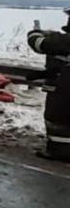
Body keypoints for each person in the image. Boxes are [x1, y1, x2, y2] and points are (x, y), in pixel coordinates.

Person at [27, 8, 70, 162]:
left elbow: (39, 44)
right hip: (62, 83)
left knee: (57, 119)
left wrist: (35, 33)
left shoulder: (64, 41)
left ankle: (59, 151)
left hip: (63, 88)